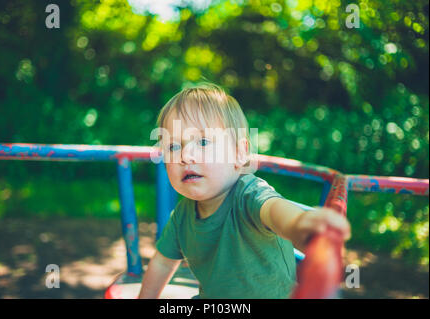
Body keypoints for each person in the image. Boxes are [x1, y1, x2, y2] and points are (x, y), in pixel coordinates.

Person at [138, 83, 350, 299]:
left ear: (240, 153)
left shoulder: (249, 195)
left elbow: (275, 211)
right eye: (173, 147)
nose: (185, 155)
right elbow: (163, 263)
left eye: (202, 142)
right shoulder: (182, 215)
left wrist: (300, 226)